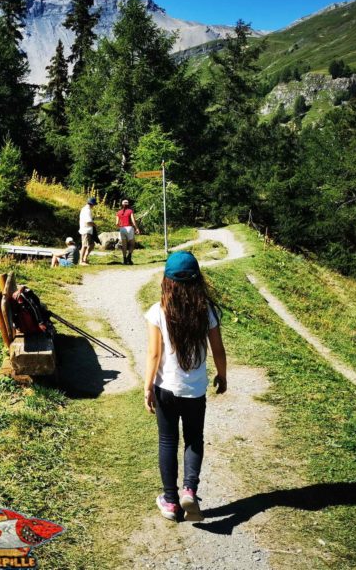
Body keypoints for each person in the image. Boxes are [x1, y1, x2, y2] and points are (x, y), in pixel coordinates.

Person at [143, 251, 227, 522]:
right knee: (193, 439)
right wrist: (222, 376)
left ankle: (170, 502)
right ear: (197, 280)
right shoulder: (207, 312)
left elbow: (154, 355)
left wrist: (147, 387)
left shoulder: (158, 311)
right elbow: (218, 349)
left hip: (165, 388)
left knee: (167, 441)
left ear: (167, 282)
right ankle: (189, 490)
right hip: (195, 391)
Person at [116, 199, 140, 265]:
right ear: (128, 204)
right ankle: (129, 257)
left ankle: (124, 260)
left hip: (122, 228)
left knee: (124, 245)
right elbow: (133, 221)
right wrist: (137, 228)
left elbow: (117, 223)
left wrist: (121, 227)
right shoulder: (130, 211)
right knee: (132, 244)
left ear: (122, 204)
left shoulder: (119, 212)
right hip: (129, 228)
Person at [79, 196, 97, 265]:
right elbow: (88, 222)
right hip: (86, 230)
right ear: (92, 204)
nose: (94, 206)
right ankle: (81, 261)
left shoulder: (85, 209)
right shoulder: (87, 210)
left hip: (87, 230)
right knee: (85, 246)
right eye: (94, 204)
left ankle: (84, 258)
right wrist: (94, 224)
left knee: (92, 245)